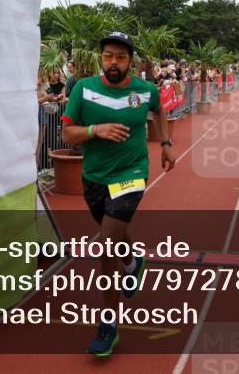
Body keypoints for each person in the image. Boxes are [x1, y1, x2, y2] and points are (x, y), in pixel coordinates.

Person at [60, 31, 177, 357]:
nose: (114, 62)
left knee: (106, 244)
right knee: (116, 232)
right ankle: (134, 260)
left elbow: (160, 111)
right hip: (94, 177)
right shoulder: (84, 89)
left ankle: (108, 324)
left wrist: (165, 144)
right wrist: (96, 130)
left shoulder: (146, 91)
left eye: (121, 57)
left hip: (132, 174)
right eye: (109, 56)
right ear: (102, 58)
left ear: (130, 62)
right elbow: (67, 131)